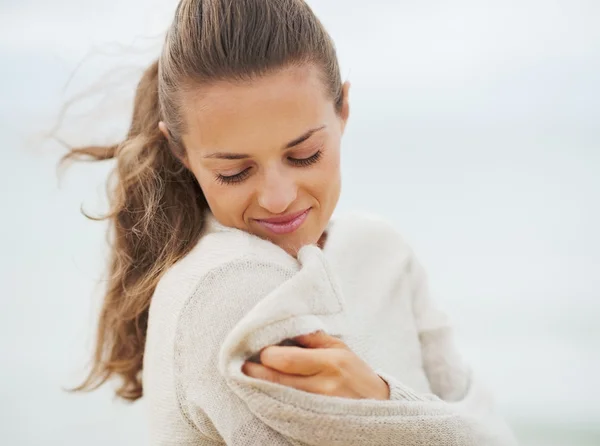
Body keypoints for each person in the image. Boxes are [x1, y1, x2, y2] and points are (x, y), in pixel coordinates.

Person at [65, 0, 517, 444]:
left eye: (304, 155)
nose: (278, 199)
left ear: (343, 110)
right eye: (234, 172)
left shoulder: (381, 249)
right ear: (181, 152)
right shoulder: (229, 285)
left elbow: (487, 419)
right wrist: (383, 405)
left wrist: (382, 403)